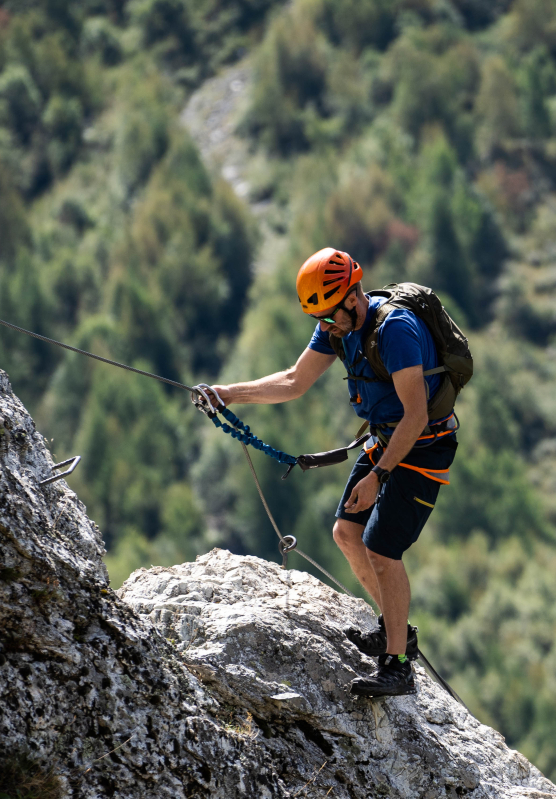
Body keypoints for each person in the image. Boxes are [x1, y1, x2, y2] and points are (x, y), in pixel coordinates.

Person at [193, 248, 456, 697]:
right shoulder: (337, 327)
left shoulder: (395, 331)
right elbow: (295, 380)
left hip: (424, 444)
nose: (326, 326)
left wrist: (378, 476)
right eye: (320, 318)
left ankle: (397, 667)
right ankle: (398, 631)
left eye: (330, 316)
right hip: (385, 439)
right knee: (346, 533)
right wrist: (228, 394)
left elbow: (415, 417)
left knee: (382, 547)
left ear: (353, 298)